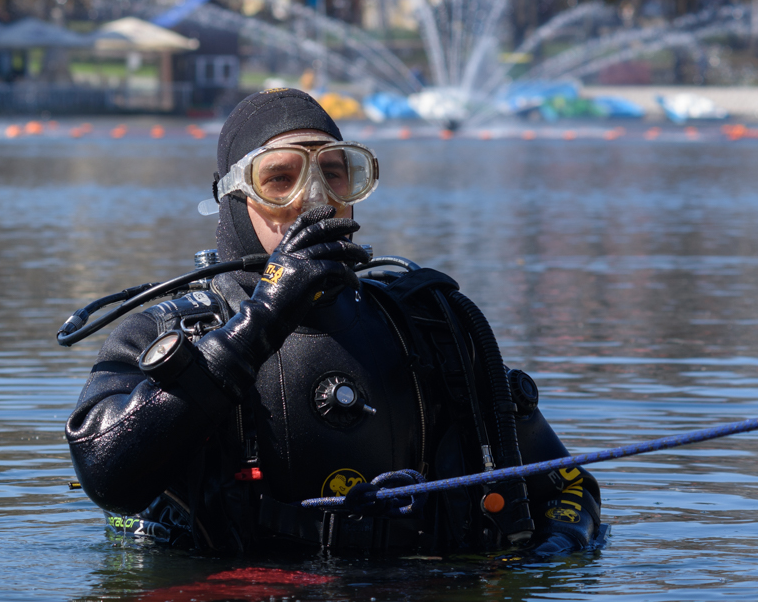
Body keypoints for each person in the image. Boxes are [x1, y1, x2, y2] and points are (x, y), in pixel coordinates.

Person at [65, 88, 603, 556]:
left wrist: (554, 549)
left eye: (334, 173)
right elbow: (105, 473)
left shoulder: (429, 326)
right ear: (233, 199)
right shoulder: (167, 333)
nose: (314, 201)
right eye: (279, 179)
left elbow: (570, 490)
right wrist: (262, 319)